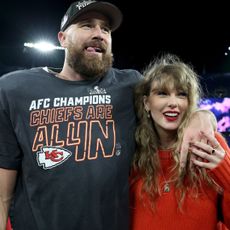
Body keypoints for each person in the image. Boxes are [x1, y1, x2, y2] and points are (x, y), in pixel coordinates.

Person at [0, 1, 217, 230]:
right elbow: (3, 196)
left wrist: (202, 116)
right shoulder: (15, 90)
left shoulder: (129, 84)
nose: (99, 34)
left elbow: (171, 101)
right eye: (87, 25)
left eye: (105, 29)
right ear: (62, 38)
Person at [129, 54, 230, 230]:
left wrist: (226, 173)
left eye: (181, 94)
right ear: (146, 103)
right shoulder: (133, 150)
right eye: (162, 93)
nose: (173, 103)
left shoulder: (209, 142)